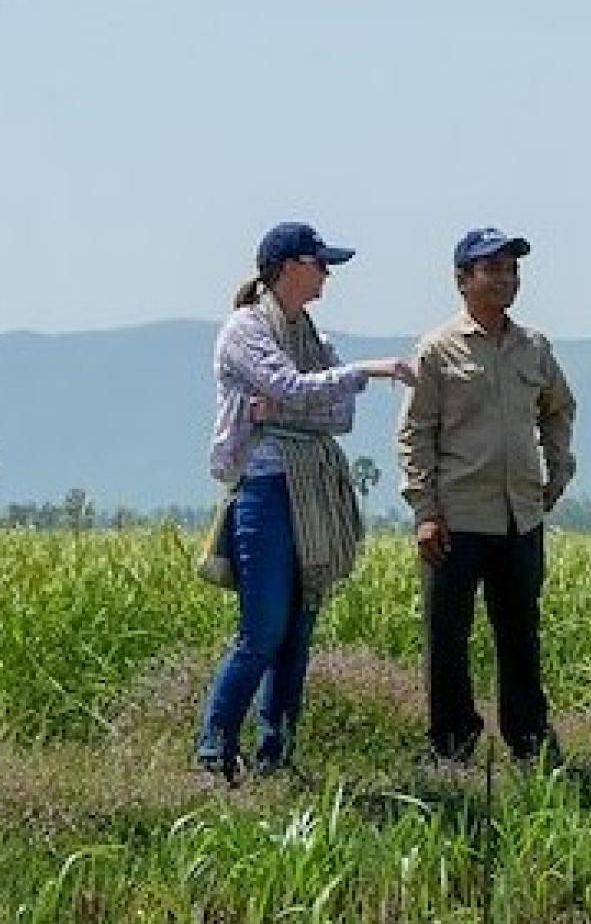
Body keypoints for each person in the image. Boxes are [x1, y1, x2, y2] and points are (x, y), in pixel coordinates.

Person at [198, 222, 413, 784]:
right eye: (320, 263)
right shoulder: (245, 329)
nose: (327, 274)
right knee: (263, 629)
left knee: (298, 628)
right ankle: (213, 748)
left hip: (309, 490)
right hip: (265, 491)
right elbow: (297, 387)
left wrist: (284, 409)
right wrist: (365, 370)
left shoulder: (312, 336)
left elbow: (335, 415)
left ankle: (276, 753)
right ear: (291, 266)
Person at [397, 227, 578, 765]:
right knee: (448, 639)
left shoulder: (535, 348)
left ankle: (530, 742)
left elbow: (559, 408)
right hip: (457, 516)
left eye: (511, 270)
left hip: (520, 516)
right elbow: (414, 433)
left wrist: (558, 466)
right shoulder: (436, 350)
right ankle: (451, 747)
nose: (506, 279)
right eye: (492, 269)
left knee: (521, 633)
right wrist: (424, 511)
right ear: (463, 280)